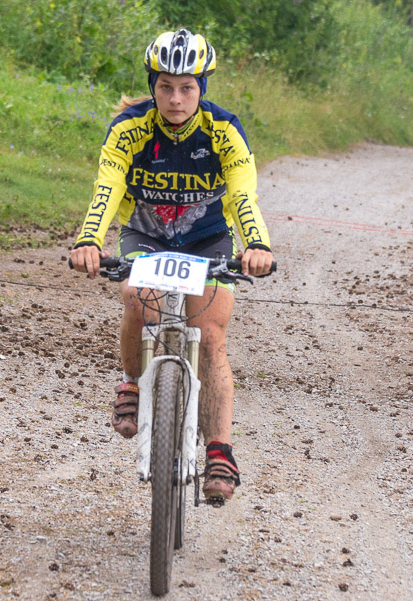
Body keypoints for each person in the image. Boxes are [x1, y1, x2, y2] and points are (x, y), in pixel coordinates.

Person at [70, 29, 274, 503]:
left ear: (202, 88)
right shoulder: (129, 127)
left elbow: (243, 195)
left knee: (213, 339)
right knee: (135, 300)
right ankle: (131, 384)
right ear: (152, 85)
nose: (176, 99)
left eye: (187, 88)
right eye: (165, 87)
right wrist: (89, 240)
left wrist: (257, 245)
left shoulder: (224, 130)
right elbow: (108, 187)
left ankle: (220, 450)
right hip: (147, 236)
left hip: (208, 241)